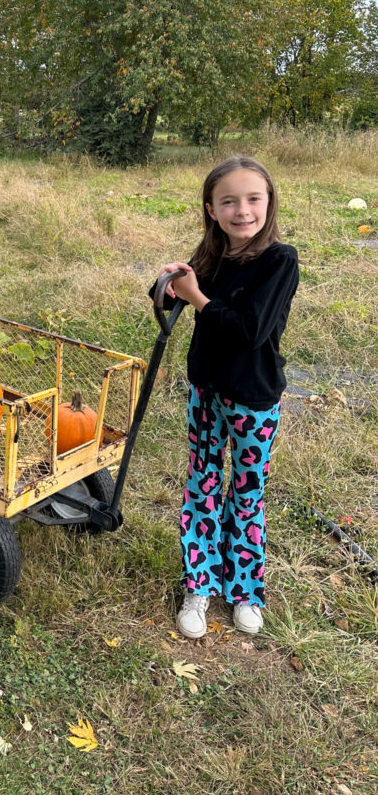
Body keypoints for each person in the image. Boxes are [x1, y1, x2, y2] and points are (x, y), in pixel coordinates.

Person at [154, 155, 298, 639]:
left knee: (247, 492)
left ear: (268, 202)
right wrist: (171, 284)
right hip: (206, 390)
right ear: (211, 209)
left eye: (253, 198)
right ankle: (200, 584)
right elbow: (175, 298)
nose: (242, 210)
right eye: (229, 201)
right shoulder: (212, 258)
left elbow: (250, 331)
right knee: (204, 484)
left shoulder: (280, 260)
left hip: (253, 397)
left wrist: (197, 297)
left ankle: (244, 591)